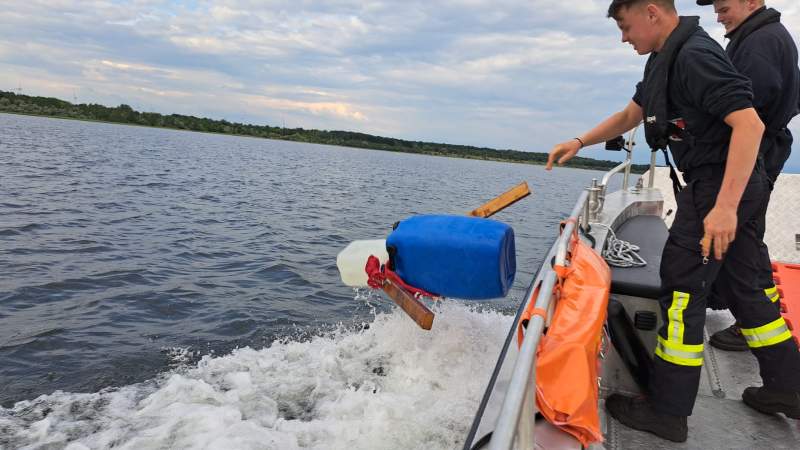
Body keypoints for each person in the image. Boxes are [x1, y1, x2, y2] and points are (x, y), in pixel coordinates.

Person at [546, 0, 800, 443]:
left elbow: (750, 126)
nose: (624, 38)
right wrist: (579, 140)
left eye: (625, 27)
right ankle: (789, 389)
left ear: (652, 12)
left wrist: (723, 208)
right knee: (747, 284)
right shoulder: (665, 57)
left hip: (719, 189)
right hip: (725, 187)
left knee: (683, 288)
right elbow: (631, 114)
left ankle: (667, 411)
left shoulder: (696, 56)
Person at [697, 0, 800, 352]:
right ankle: (743, 307)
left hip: (754, 155)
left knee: (744, 243)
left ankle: (755, 323)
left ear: (752, 2)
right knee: (748, 238)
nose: (718, 14)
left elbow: (744, 108)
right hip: (765, 151)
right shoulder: (765, 36)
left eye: (724, 7)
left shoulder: (759, 43)